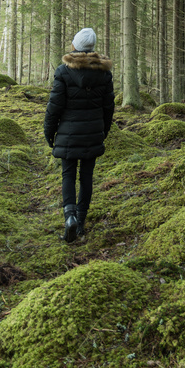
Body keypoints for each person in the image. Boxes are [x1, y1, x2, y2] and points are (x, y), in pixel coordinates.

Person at [43, 27, 115, 242]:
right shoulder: (104, 73)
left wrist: (49, 131)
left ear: (75, 46)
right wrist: (103, 131)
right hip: (93, 133)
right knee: (86, 176)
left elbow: (54, 106)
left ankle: (70, 218)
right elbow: (108, 107)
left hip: (68, 133)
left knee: (68, 174)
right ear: (92, 48)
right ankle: (81, 222)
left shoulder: (63, 71)